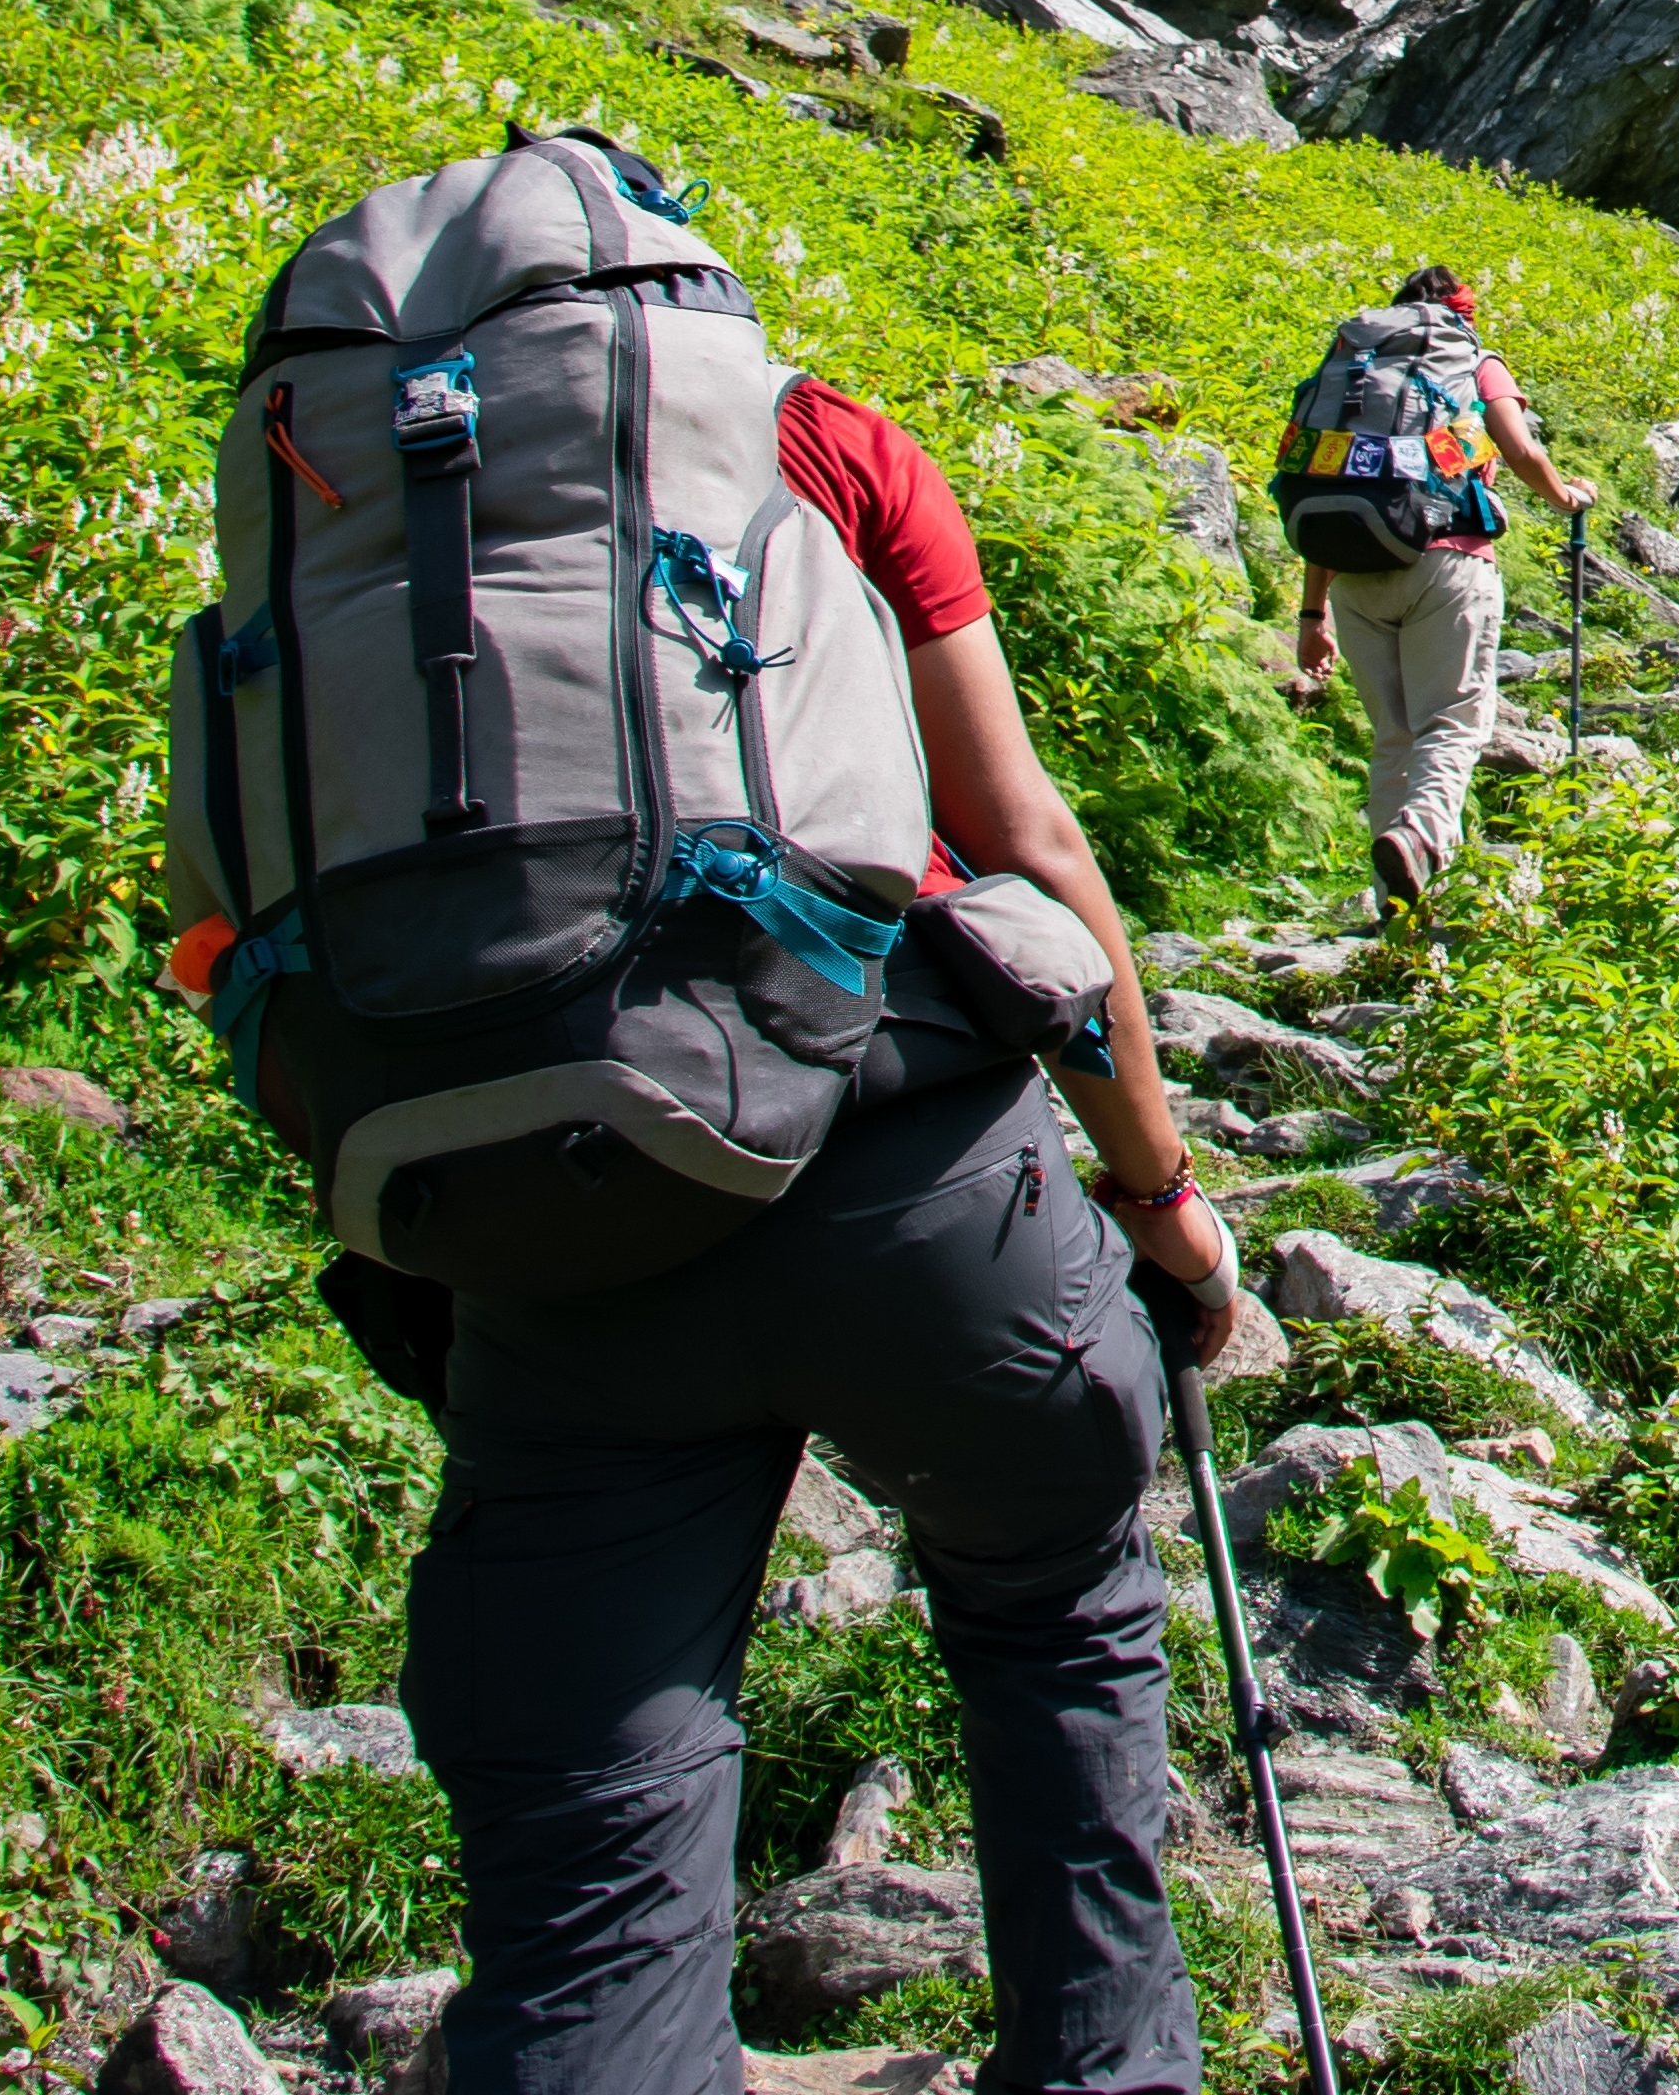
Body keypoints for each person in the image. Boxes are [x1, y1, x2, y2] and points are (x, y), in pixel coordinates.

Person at [409, 367, 1240, 2095]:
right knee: (1053, 1607)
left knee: (590, 1831)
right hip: (910, 1171)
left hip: (553, 1215)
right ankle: (1106, 2065)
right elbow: (1026, 846)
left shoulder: (355, 481)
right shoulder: (818, 434)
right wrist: (1164, 1211)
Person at [1283, 263, 1591, 915]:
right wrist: (1568, 497)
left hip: (1353, 573)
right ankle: (1422, 839)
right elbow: (1519, 450)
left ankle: (1397, 919)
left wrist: (1312, 614)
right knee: (1450, 728)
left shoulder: (1352, 368)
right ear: (1461, 315)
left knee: (1394, 739)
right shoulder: (1470, 357)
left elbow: (1327, 480)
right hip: (1445, 563)